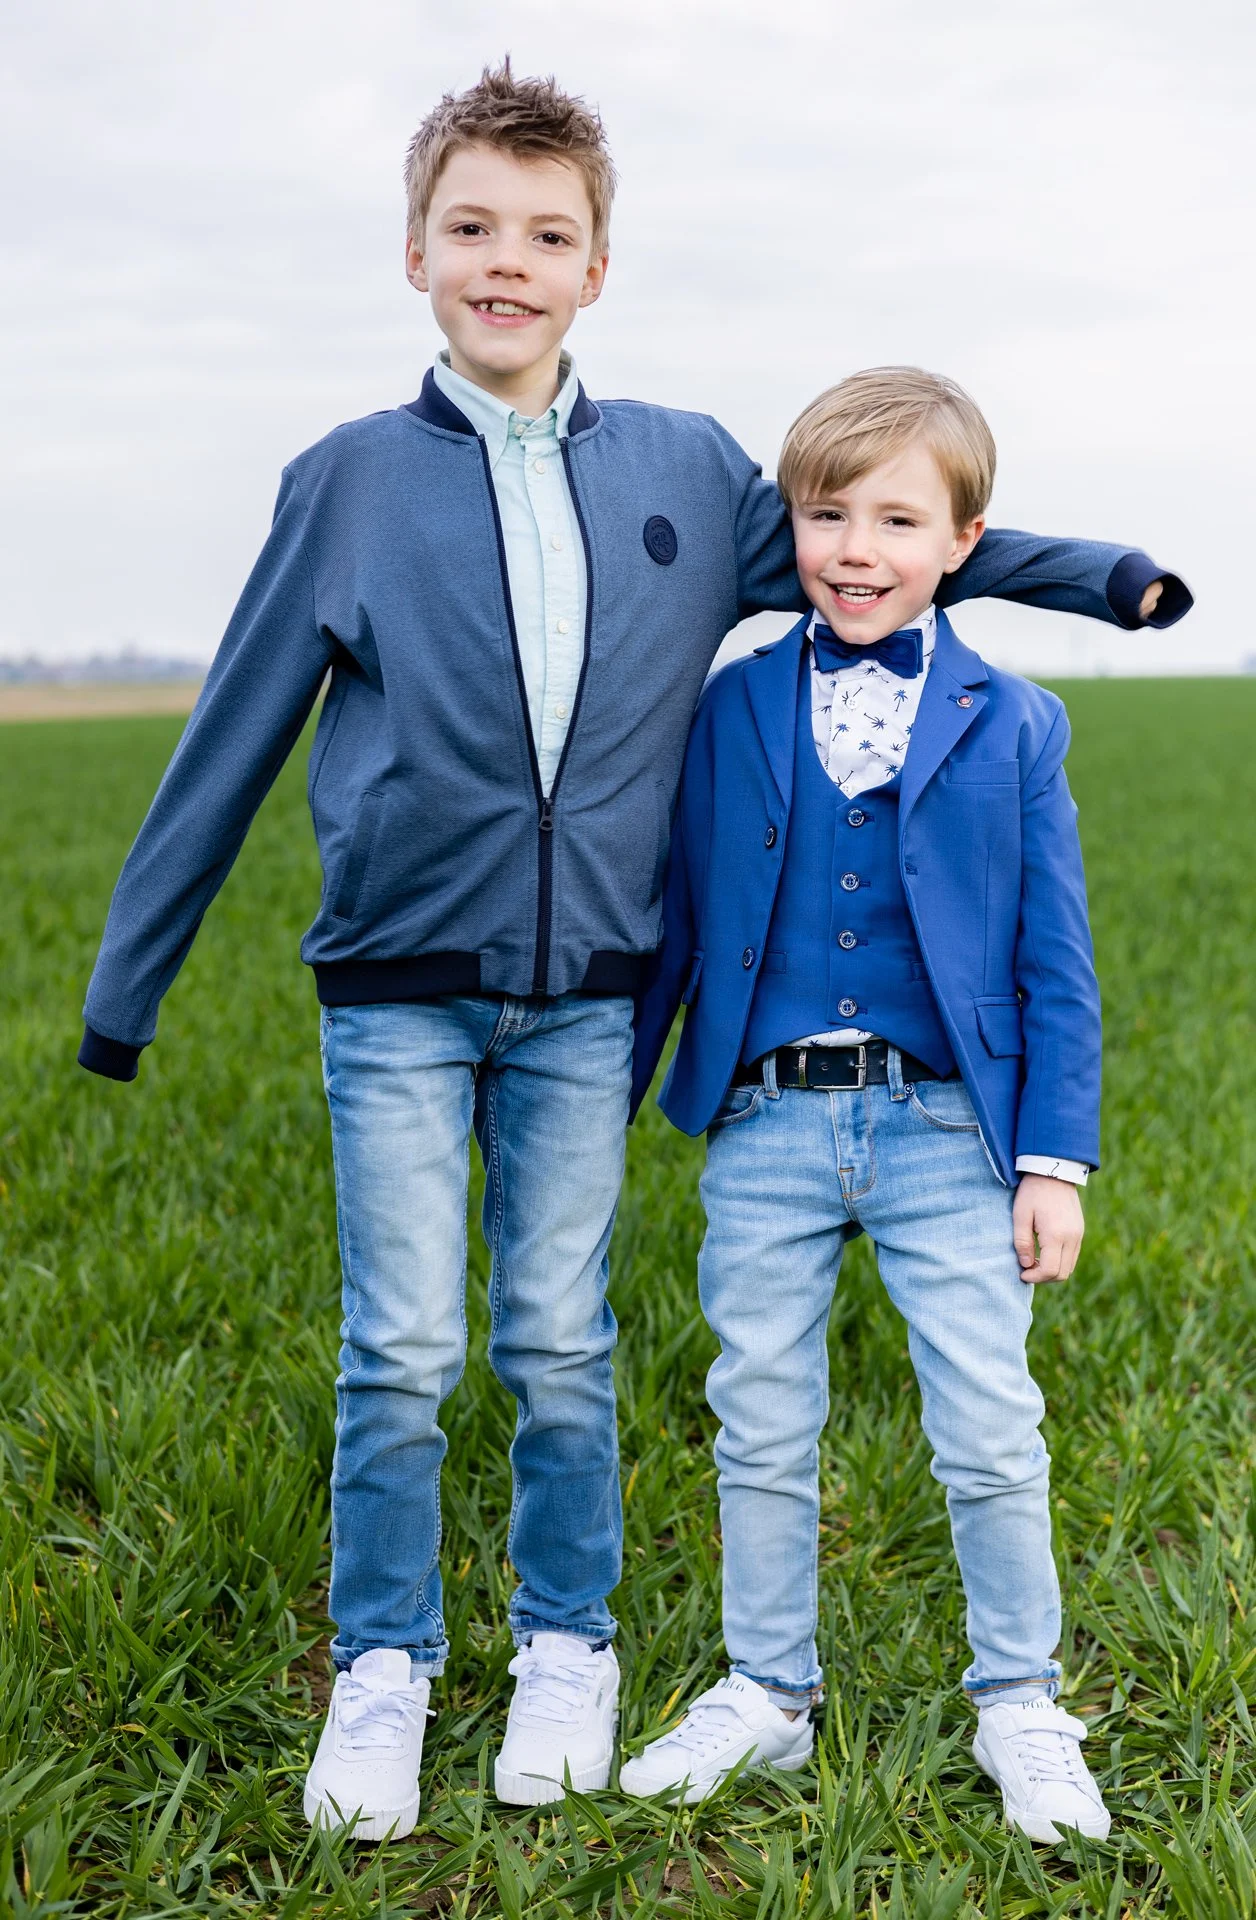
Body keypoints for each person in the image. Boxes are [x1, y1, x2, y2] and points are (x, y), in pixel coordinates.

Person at [76, 61, 1188, 1839]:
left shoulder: (682, 466)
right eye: (472, 230)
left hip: (596, 992)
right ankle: (384, 1666)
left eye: (548, 235)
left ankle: (567, 1646)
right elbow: (233, 734)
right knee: (402, 1340)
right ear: (416, 250)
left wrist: (1109, 577)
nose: (507, 263)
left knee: (558, 1332)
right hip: (398, 981)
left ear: (599, 266)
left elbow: (883, 533)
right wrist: (126, 988)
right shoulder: (349, 480)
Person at [624, 365, 1137, 1844]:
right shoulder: (728, 708)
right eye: (826, 513)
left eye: (896, 519)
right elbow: (675, 917)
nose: (856, 547)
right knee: (760, 1419)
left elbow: (1057, 957)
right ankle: (766, 1693)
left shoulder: (1015, 719)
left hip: (945, 1133)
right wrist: (615, 1097)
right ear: (791, 526)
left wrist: (1055, 1162)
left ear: (962, 541)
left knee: (989, 1422)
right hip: (768, 1124)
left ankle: (1022, 1701)